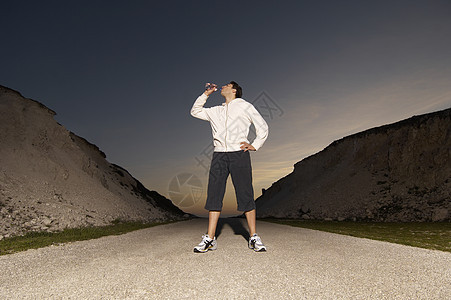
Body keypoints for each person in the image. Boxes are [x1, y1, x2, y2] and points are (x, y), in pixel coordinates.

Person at [190, 81, 269, 253]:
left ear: (234, 90)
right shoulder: (216, 110)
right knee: (214, 195)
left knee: (245, 193)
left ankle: (254, 237)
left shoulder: (245, 106)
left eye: (227, 85)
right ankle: (210, 238)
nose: (222, 87)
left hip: (239, 154)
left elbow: (262, 126)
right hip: (219, 156)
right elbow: (195, 111)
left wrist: (255, 144)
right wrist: (206, 94)